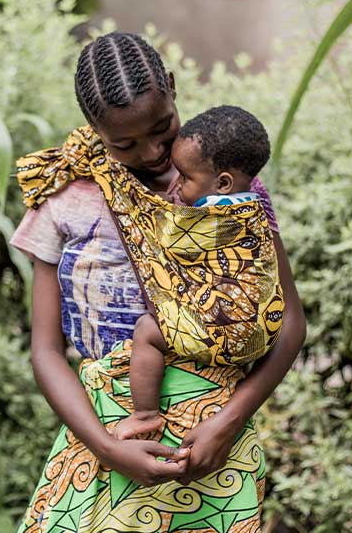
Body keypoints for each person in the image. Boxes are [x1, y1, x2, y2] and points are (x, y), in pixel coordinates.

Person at [12, 32, 306, 532]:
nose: (152, 153)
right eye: (123, 143)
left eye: (162, 129)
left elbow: (290, 324)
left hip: (211, 443)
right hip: (103, 431)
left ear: (171, 88)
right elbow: (45, 349)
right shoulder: (66, 195)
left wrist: (227, 423)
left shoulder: (230, 191)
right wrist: (106, 447)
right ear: (93, 129)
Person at [113, 105, 281, 442]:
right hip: (264, 327)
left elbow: (165, 241)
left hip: (227, 328)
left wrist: (157, 208)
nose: (177, 187)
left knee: (148, 330)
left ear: (222, 183)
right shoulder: (254, 209)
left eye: (186, 179)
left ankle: (144, 414)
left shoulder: (215, 216)